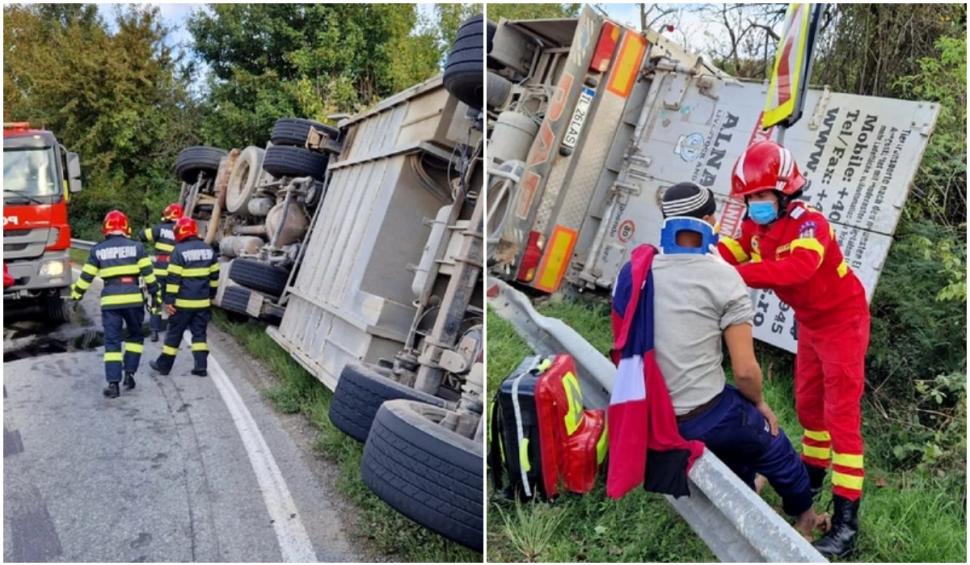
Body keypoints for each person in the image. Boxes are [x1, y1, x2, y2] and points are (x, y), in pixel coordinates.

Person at [649, 182, 828, 538]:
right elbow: (745, 371)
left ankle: (745, 490)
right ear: (711, 219)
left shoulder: (642, 269)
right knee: (772, 442)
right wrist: (761, 403)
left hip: (655, 411)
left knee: (738, 435)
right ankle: (806, 517)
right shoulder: (723, 277)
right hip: (702, 411)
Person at [718, 140, 869, 557]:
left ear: (785, 194)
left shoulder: (810, 224)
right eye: (750, 197)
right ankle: (810, 482)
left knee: (841, 419)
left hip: (844, 322)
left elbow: (797, 268)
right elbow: (728, 249)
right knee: (808, 408)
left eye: (763, 196)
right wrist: (696, 255)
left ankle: (845, 526)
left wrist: (736, 274)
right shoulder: (756, 225)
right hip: (812, 325)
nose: (755, 204)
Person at [71, 210, 160, 398]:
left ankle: (113, 385)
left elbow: (86, 277)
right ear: (125, 227)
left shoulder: (98, 250)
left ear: (106, 228)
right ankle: (129, 374)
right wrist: (155, 296)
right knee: (135, 337)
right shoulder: (137, 247)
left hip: (110, 302)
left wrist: (75, 296)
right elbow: (149, 276)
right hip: (133, 300)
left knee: (112, 342)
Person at [150, 217, 219, 377]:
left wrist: (169, 301)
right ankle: (201, 367)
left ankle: (164, 366)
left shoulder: (178, 251)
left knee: (174, 334)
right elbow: (215, 276)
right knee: (199, 334)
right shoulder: (208, 250)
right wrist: (211, 295)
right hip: (202, 303)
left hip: (182, 304)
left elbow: (173, 279)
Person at [140, 203, 182, 342]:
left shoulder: (159, 229)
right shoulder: (183, 230)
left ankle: (154, 332)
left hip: (159, 271)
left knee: (156, 302)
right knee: (173, 302)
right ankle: (171, 330)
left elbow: (142, 235)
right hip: (176, 273)